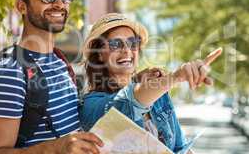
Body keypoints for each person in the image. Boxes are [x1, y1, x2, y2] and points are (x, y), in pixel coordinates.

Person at [0, 0, 103, 154]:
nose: (59, 3)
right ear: (21, 6)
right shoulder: (8, 73)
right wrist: (56, 148)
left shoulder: (60, 62)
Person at [80, 13, 222, 153]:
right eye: (115, 44)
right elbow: (129, 101)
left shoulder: (159, 96)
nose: (127, 50)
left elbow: (180, 147)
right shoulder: (91, 105)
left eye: (133, 43)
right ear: (99, 54)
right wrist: (177, 76)